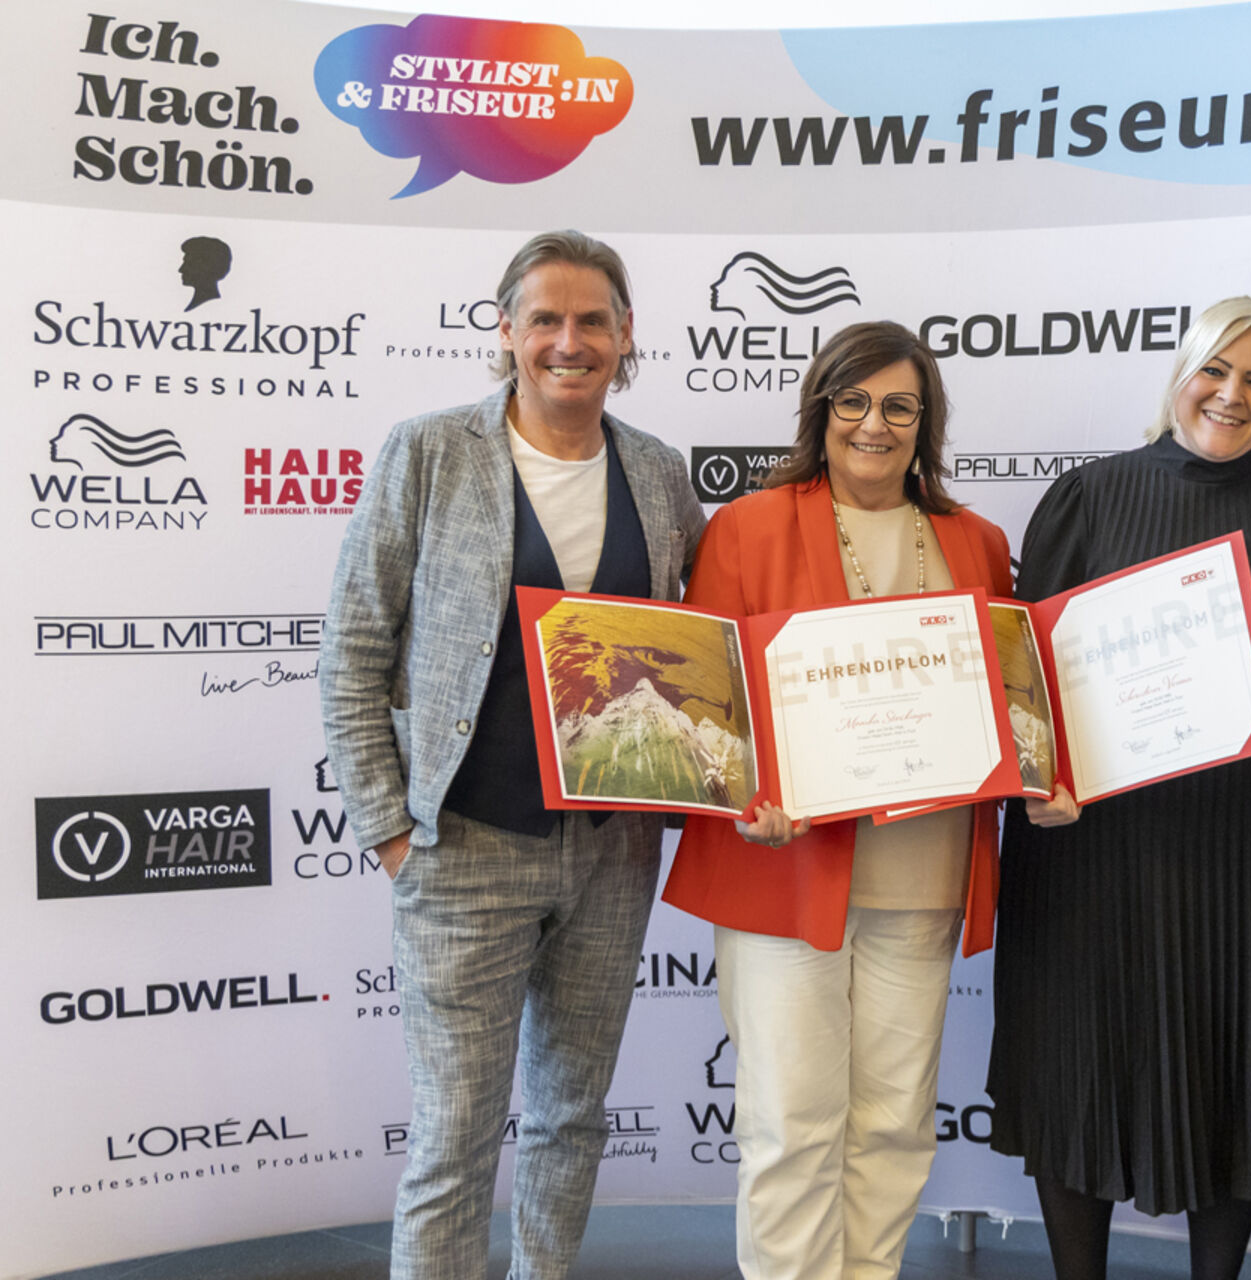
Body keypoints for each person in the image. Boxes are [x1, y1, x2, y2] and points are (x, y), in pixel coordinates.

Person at [318, 230, 705, 1280]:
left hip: (613, 851)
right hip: (464, 848)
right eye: (546, 319)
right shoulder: (430, 452)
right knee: (455, 1136)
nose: (569, 341)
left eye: (593, 321)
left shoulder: (658, 471)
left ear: (627, 335)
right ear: (506, 330)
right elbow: (353, 650)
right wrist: (390, 831)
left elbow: (701, 644)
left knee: (572, 1118)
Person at [661, 321, 1012, 1280]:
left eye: (900, 406)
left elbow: (1005, 700)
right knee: (791, 1124)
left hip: (925, 875)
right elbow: (704, 699)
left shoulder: (977, 542)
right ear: (820, 411)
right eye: (852, 401)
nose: (874, 424)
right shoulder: (749, 527)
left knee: (894, 1123)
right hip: (786, 872)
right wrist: (747, 793)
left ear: (926, 422)